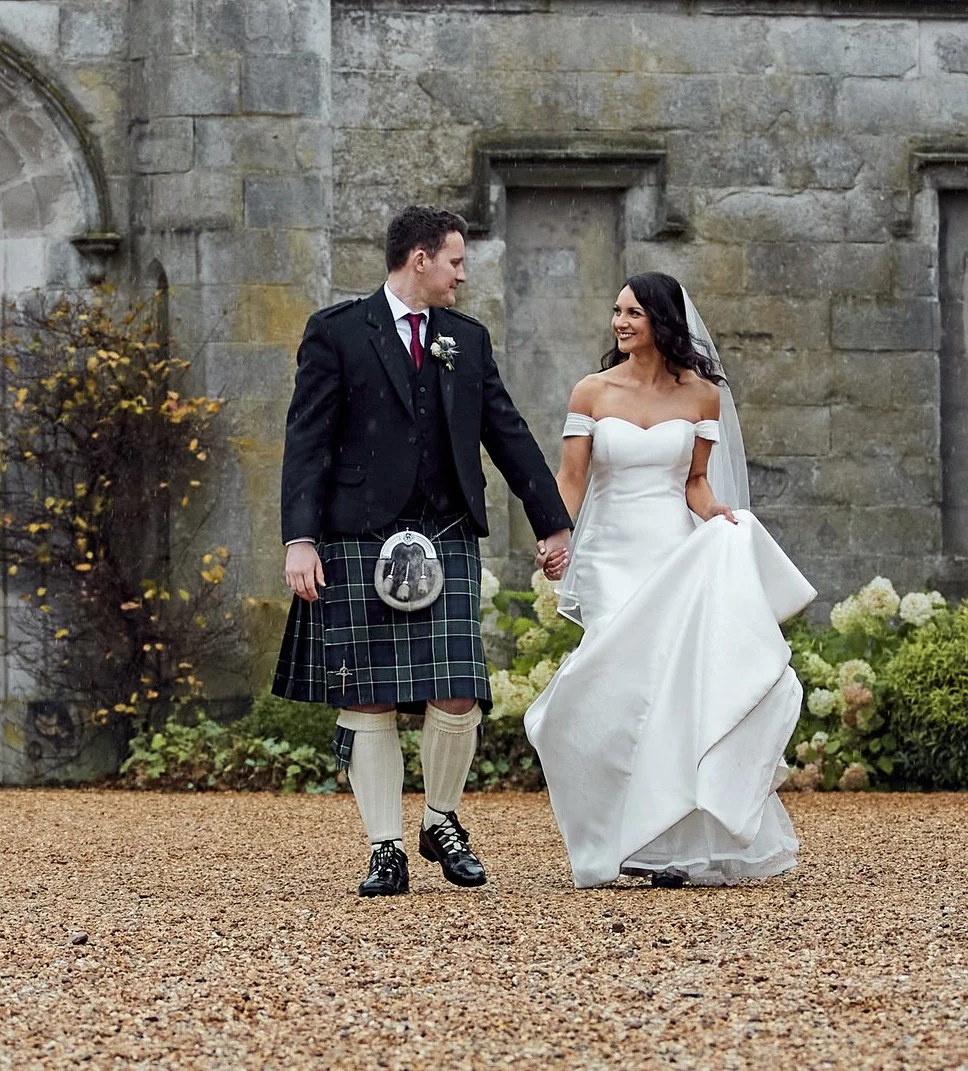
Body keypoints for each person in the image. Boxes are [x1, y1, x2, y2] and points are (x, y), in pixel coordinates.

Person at [271, 207, 575, 896]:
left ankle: (440, 820)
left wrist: (551, 521)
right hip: (356, 534)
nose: (463, 274)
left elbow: (508, 430)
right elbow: (307, 443)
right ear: (419, 258)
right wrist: (301, 539)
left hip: (445, 532)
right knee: (368, 697)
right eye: (456, 261)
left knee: (459, 687)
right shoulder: (338, 332)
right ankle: (385, 847)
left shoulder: (465, 339)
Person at [525, 273, 814, 887]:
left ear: (662, 320)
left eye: (633, 312)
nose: (620, 322)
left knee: (670, 695)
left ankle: (666, 845)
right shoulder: (592, 392)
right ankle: (611, 829)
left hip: (673, 552)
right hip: (608, 558)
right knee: (610, 685)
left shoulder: (702, 396)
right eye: (616, 310)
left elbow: (696, 484)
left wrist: (721, 519)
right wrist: (556, 535)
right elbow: (572, 477)